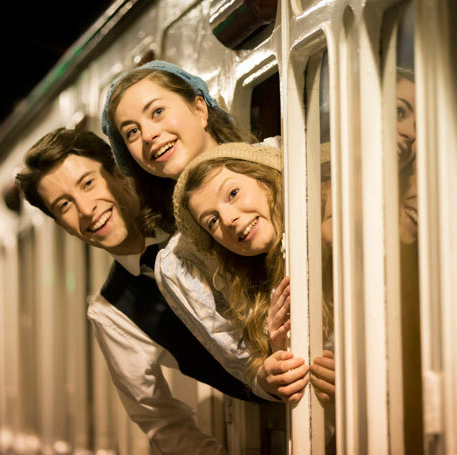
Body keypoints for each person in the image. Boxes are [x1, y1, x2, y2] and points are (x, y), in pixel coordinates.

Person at [15, 127, 264, 455]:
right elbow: (160, 420)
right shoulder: (111, 312)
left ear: (119, 171)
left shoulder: (201, 213)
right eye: (64, 205)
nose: (87, 209)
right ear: (63, 226)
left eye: (88, 183)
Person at [101, 61, 307, 402]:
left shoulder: (287, 156)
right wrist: (267, 377)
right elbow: (245, 366)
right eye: (132, 132)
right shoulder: (175, 263)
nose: (149, 134)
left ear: (200, 108)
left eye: (157, 111)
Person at [171, 142, 334, 405]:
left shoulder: (331, 219)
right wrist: (283, 353)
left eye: (233, 193)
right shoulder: (266, 290)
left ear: (266, 178)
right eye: (212, 221)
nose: (227, 219)